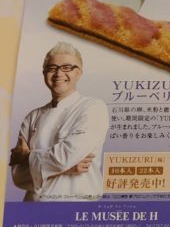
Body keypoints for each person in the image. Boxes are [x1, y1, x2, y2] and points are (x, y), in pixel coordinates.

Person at [9, 42, 109, 201]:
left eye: (67, 67)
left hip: (74, 206)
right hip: (32, 207)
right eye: (52, 68)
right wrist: (65, 169)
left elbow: (66, 156)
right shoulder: (32, 116)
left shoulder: (93, 108)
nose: (58, 73)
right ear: (44, 73)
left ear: (79, 73)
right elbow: (18, 176)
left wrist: (27, 157)